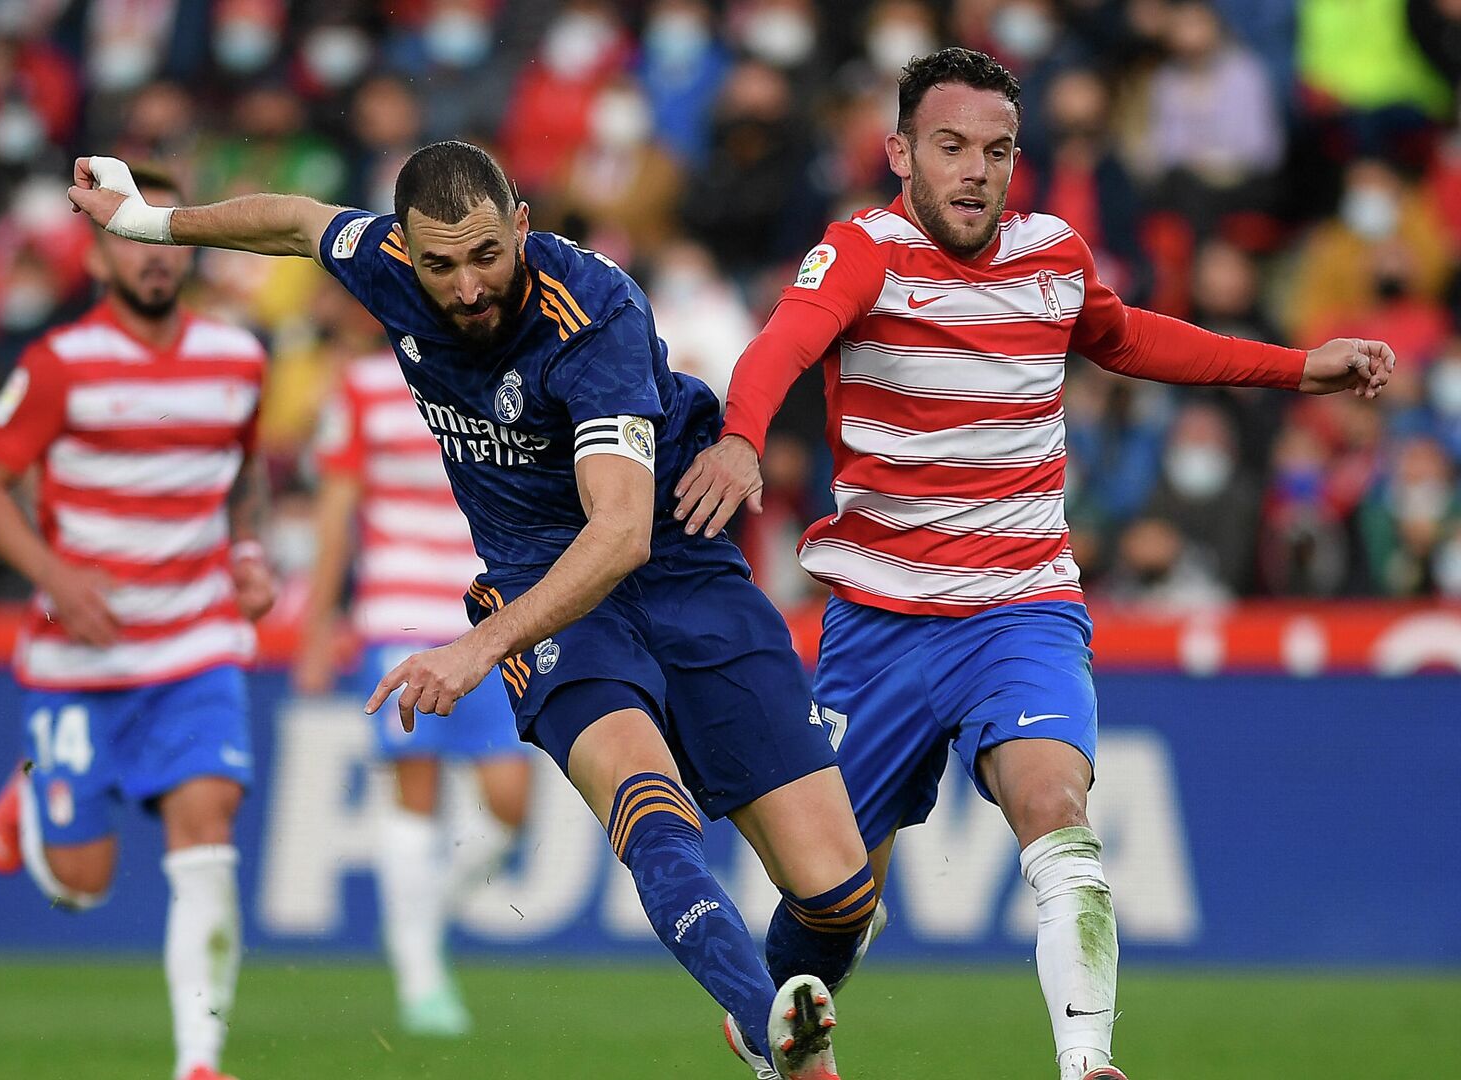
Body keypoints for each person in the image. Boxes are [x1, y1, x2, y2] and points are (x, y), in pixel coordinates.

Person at [65, 143, 871, 1080]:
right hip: (544, 591)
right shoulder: (387, 265)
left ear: (522, 224)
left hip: (672, 561)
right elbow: (291, 220)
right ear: (404, 247)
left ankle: (761, 1014)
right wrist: (145, 222)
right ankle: (771, 1032)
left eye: (487, 255)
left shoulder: (593, 311)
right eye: (440, 264)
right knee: (644, 797)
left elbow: (620, 534)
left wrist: (475, 650)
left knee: (840, 898)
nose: (468, 286)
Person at [673, 48, 1394, 1080]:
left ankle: (1087, 1060)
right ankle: (769, 1030)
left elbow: (1128, 336)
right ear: (900, 153)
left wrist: (1295, 369)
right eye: (951, 146)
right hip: (878, 628)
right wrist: (742, 435)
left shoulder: (1052, 255)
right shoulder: (863, 252)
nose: (975, 170)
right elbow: (781, 344)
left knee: (1055, 802)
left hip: (1020, 608)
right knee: (832, 902)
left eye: (997, 151)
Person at [0, 163, 273, 1080]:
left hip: (195, 645)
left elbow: (246, 477)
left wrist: (247, 556)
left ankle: (200, 1060)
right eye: (122, 235)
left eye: (158, 233)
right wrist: (54, 573)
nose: (148, 258)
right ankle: (30, 787)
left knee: (207, 831)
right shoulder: (58, 365)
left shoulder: (239, 359)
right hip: (77, 660)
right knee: (83, 889)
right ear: (97, 255)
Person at [293, 323, 533, 1038]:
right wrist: (315, 626)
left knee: (509, 804)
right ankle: (420, 975)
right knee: (417, 791)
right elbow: (337, 513)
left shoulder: (498, 376)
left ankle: (419, 920)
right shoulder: (364, 385)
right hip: (396, 616)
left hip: (487, 618)